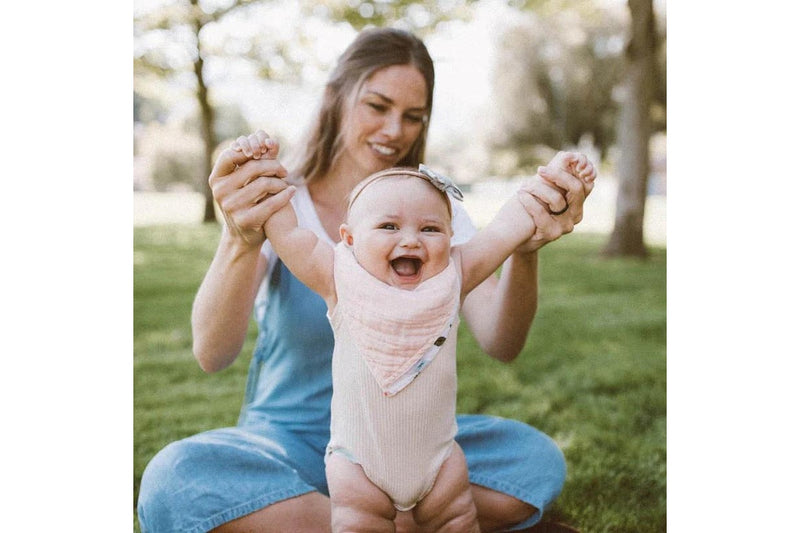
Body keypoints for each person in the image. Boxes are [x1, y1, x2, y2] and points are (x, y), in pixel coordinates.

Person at [137, 27, 596, 533]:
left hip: (408, 443)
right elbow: (212, 352)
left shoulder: (430, 217)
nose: (395, 130)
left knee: (534, 460)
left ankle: (337, 520)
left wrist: (524, 252)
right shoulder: (277, 203)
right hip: (290, 444)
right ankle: (393, 522)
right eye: (377, 106)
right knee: (174, 481)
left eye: (413, 116)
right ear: (336, 96)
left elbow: (502, 342)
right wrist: (241, 240)